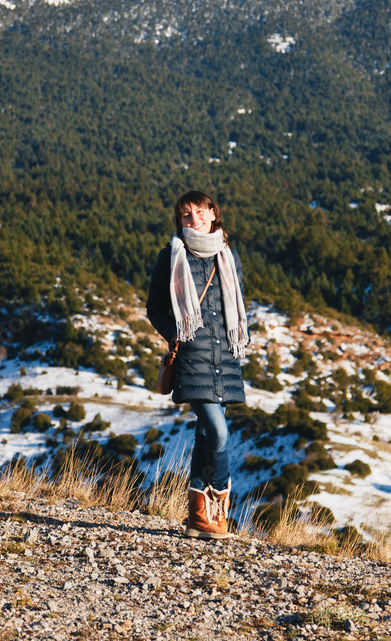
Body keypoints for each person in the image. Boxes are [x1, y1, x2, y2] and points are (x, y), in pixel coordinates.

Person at [146, 189, 248, 539]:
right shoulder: (171, 256)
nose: (194, 219)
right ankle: (219, 508)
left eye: (200, 212)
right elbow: (155, 307)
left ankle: (198, 518)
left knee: (206, 434)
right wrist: (179, 334)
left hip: (225, 358)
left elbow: (235, 307)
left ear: (213, 213)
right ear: (180, 220)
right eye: (186, 215)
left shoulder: (227, 257)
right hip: (192, 359)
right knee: (218, 433)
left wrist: (237, 343)